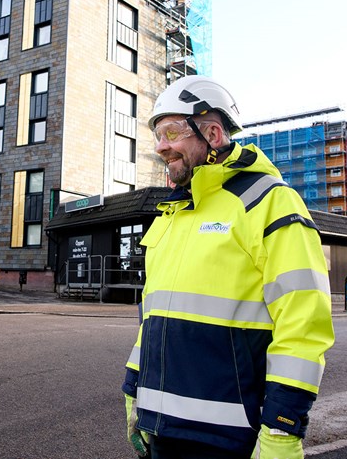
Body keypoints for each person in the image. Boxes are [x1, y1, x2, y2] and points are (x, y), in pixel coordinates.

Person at [122, 76, 335, 459]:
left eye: (171, 131)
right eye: (157, 134)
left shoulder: (269, 202)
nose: (160, 146)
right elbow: (151, 321)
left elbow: (303, 327)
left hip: (227, 439)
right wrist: (133, 393)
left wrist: (282, 430)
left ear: (214, 133)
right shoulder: (171, 214)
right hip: (160, 431)